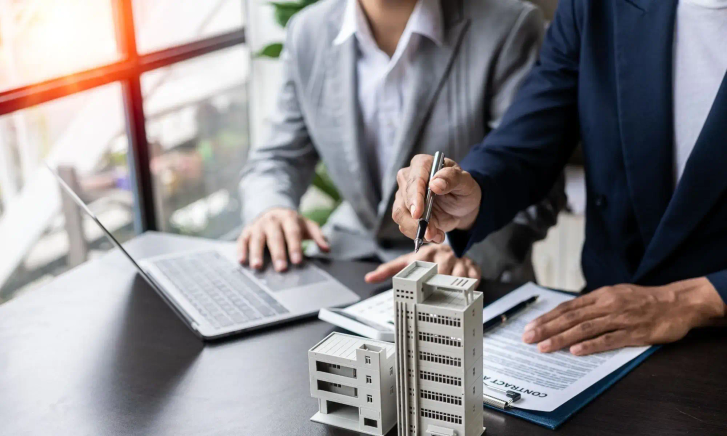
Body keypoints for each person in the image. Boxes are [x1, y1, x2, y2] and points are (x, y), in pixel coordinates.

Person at [392, 0, 727, 356]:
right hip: (604, 328)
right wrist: (471, 192)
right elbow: (528, 142)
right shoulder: (597, 6)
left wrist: (695, 299)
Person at [238, 0, 566, 283]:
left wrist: (462, 251)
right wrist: (271, 209)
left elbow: (535, 181)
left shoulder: (508, 25)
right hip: (350, 264)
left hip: (464, 275)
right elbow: (277, 157)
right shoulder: (306, 31)